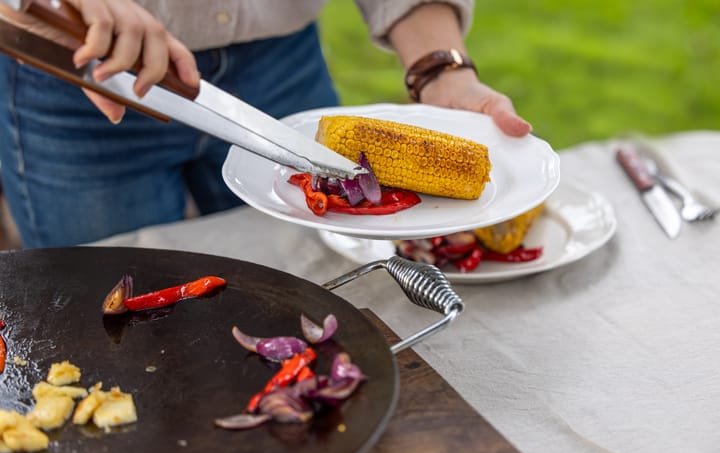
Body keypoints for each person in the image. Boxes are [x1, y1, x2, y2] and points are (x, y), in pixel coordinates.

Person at [0, 0, 531, 248]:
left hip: (282, 69)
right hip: (88, 74)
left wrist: (439, 68)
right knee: (111, 307)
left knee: (302, 284)